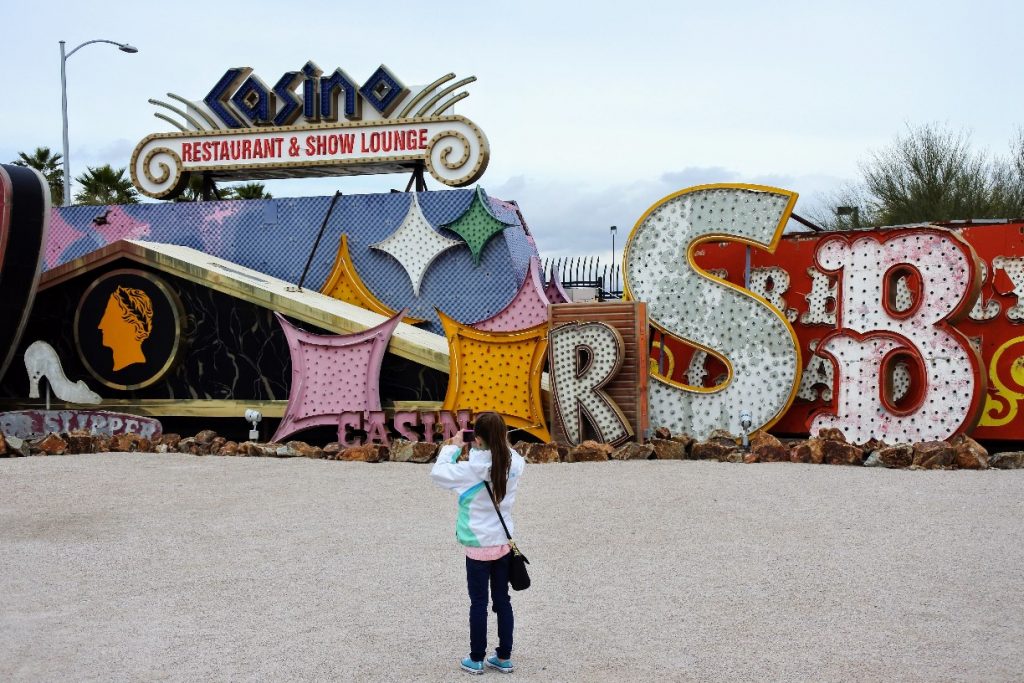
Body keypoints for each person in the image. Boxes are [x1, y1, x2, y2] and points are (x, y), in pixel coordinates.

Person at [431, 412, 526, 675]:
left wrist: (454, 446)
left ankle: (476, 658)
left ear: (479, 439)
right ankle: (504, 657)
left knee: (478, 603)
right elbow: (502, 453)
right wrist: (489, 442)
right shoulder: (514, 464)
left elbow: (438, 474)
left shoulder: (471, 470)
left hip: (477, 545)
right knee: (502, 601)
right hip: (503, 544)